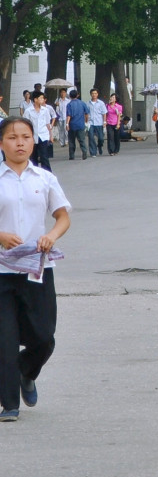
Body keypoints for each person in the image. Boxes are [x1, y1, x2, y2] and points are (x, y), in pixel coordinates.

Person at [0, 116, 72, 422]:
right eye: (13, 137)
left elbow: (63, 216)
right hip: (1, 272)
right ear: (2, 143)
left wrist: (51, 236)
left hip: (36, 269)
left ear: (33, 141)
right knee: (5, 339)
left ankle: (26, 371)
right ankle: (9, 405)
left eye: (25, 137)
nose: (19, 143)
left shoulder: (44, 179)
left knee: (44, 337)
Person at [24, 93, 55, 171]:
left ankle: (47, 174)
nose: (42, 100)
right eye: (41, 98)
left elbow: (48, 123)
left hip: (43, 136)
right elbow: (25, 125)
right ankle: (34, 174)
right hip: (33, 137)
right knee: (33, 157)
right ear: (35, 99)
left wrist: (51, 136)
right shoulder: (28, 111)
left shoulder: (45, 110)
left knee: (44, 157)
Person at [63, 90, 89, 162]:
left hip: (72, 125)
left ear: (70, 96)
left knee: (71, 141)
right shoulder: (82, 103)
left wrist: (67, 124)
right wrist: (86, 121)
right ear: (77, 95)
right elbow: (86, 113)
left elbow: (69, 115)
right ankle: (84, 152)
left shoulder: (69, 105)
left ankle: (71, 155)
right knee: (82, 140)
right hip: (80, 124)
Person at [85, 89, 106, 158]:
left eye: (95, 93)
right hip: (90, 123)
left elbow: (104, 113)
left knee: (101, 138)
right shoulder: (87, 103)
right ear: (91, 94)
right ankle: (93, 152)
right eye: (93, 93)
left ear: (97, 94)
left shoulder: (101, 103)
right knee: (91, 137)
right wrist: (86, 122)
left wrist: (104, 121)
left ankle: (99, 146)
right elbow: (86, 114)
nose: (94, 95)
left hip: (99, 122)